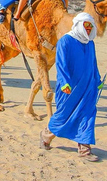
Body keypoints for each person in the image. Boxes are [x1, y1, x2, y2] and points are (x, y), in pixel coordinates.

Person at [39, 12, 101, 162]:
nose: (87, 30)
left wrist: (97, 79)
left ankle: (85, 150)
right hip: (69, 88)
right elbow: (61, 65)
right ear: (79, 25)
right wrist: (65, 82)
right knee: (63, 116)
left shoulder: (90, 43)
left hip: (87, 87)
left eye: (89, 27)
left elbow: (93, 63)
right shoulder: (65, 41)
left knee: (87, 114)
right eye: (85, 26)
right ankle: (46, 135)